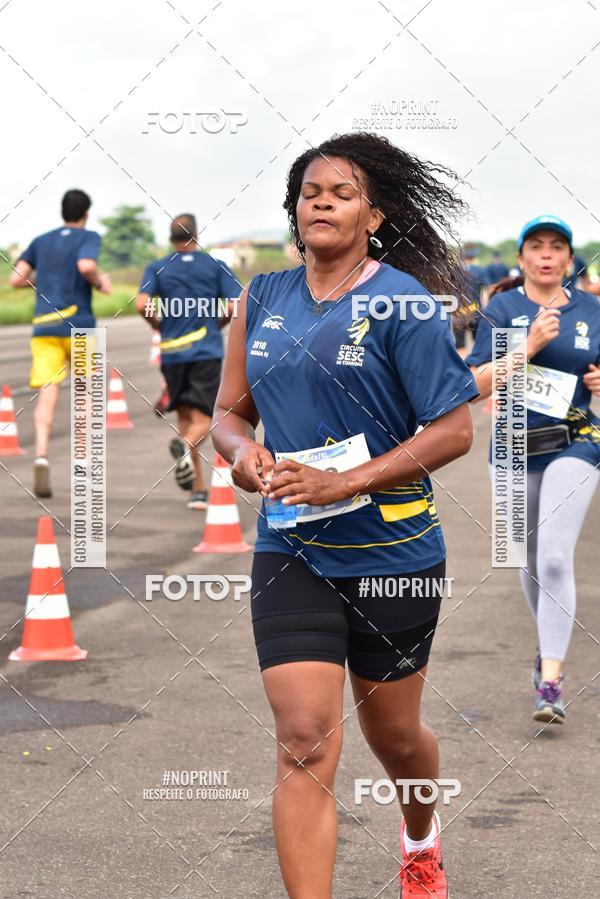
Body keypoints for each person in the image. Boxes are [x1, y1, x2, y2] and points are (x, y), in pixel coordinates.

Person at [212, 132, 480, 898]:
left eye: (341, 191)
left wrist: (350, 479)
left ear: (373, 214)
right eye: (309, 192)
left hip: (393, 554)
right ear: (295, 214)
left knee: (394, 736)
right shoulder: (261, 297)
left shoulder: (400, 301)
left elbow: (454, 429)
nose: (321, 199)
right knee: (302, 739)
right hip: (292, 550)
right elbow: (230, 415)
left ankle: (421, 832)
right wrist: (242, 454)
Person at [466, 214, 600, 724]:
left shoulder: (592, 310)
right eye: (536, 246)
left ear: (569, 258)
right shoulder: (502, 308)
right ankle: (546, 645)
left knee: (556, 561)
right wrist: (529, 346)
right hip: (514, 445)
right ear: (521, 257)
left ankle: (551, 679)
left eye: (557, 246)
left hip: (578, 443)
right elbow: (476, 381)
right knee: (526, 558)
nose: (547, 254)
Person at [9, 189, 111, 497]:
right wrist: (99, 282)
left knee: (47, 392)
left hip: (44, 327)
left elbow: (16, 278)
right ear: (86, 214)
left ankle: (41, 455)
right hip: (79, 326)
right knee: (84, 395)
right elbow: (86, 266)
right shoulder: (88, 237)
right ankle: (82, 466)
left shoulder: (41, 241)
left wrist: (44, 280)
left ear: (62, 211)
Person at [136, 214, 239, 510]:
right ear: (195, 236)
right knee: (207, 418)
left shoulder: (157, 267)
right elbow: (234, 305)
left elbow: (142, 304)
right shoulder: (215, 266)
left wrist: (157, 325)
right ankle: (184, 451)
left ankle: (197, 490)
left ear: (171, 239)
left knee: (186, 418)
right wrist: (215, 325)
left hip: (171, 353)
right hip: (205, 351)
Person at [451, 244, 486, 357]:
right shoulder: (479, 271)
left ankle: (463, 370)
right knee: (478, 344)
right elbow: (485, 292)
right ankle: (477, 370)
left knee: (460, 346)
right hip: (475, 311)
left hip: (458, 313)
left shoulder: (453, 270)